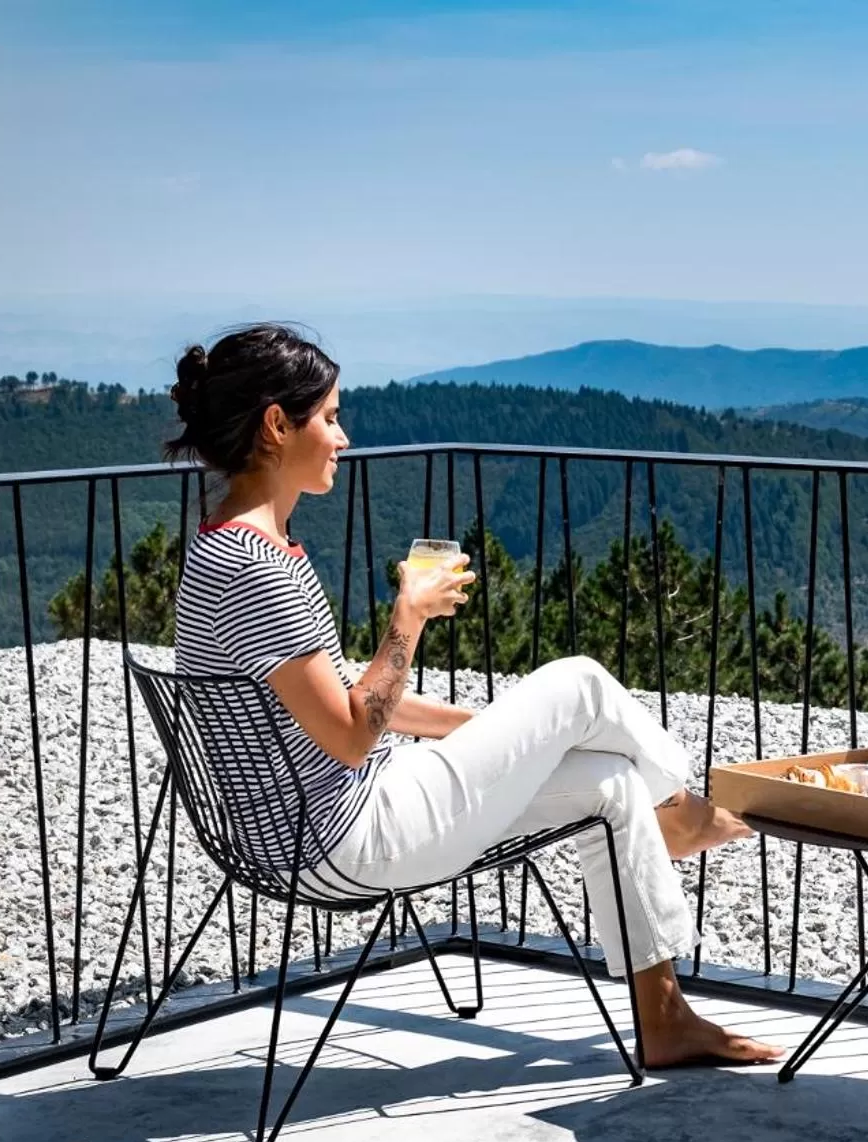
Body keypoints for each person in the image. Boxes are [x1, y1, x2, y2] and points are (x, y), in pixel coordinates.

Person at [167, 323, 778, 1066]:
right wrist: (410, 614)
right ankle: (680, 811)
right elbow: (356, 733)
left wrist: (497, 730)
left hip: (309, 824)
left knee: (612, 783)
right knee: (581, 678)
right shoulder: (257, 569)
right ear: (275, 425)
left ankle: (664, 1018)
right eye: (328, 416)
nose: (343, 436)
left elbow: (341, 701)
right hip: (348, 834)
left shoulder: (222, 547)